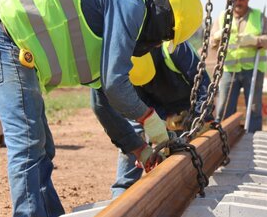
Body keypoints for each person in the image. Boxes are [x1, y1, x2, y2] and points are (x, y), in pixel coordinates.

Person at [0, 0, 202, 217]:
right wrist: (150, 119)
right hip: (3, 33)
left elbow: (103, 103)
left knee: (42, 145)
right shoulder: (131, 5)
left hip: (8, 37)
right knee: (28, 140)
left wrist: (140, 149)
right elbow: (117, 86)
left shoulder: (111, 29)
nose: (157, 45)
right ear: (165, 15)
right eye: (165, 35)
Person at [91, 40, 214, 198]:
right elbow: (139, 103)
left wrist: (199, 117)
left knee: (183, 158)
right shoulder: (126, 65)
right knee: (135, 136)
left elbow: (203, 82)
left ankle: (180, 192)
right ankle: (122, 192)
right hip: (152, 109)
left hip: (187, 106)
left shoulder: (174, 47)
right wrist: (162, 120)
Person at [210, 0, 267, 132]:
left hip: (253, 69)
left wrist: (255, 40)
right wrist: (217, 37)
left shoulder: (259, 17)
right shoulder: (222, 18)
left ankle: (252, 136)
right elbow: (211, 43)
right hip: (229, 70)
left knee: (254, 107)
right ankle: (223, 137)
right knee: (224, 108)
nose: (238, 2)